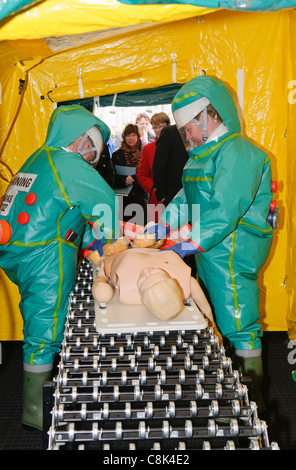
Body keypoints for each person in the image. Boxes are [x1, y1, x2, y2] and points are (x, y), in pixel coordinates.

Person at [144, 76, 274, 412]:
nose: (186, 135)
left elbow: (223, 209)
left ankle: (252, 398)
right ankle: (228, 382)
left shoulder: (239, 152)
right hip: (210, 252)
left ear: (207, 116)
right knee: (214, 314)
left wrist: (188, 245)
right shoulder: (202, 155)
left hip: (233, 251)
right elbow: (185, 201)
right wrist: (161, 227)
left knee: (238, 321)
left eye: (188, 128)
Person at [0, 105, 120, 431]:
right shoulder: (68, 163)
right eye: (92, 147)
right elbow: (104, 203)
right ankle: (35, 411)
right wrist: (110, 244)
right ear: (80, 139)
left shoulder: (39, 157)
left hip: (16, 250)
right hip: (45, 253)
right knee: (45, 326)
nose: (93, 157)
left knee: (36, 315)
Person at [91, 246, 216, 330]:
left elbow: (100, 289)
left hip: (115, 250)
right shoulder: (183, 284)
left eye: (143, 280)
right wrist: (213, 326)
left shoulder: (127, 291)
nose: (147, 271)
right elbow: (204, 307)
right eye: (157, 273)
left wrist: (101, 277)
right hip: (153, 244)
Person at [136, 112, 170, 222]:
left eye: (162, 126)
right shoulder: (148, 149)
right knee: (156, 235)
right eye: (155, 127)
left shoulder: (180, 146)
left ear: (169, 126)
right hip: (157, 201)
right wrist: (154, 189)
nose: (158, 130)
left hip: (178, 200)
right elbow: (141, 175)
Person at [112, 123, 148, 226]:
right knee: (124, 229)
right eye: (128, 135)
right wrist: (124, 180)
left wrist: (134, 179)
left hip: (140, 196)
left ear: (138, 136)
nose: (130, 138)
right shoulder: (117, 155)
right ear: (124, 137)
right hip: (123, 198)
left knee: (141, 230)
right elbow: (112, 175)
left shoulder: (144, 152)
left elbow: (148, 173)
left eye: (133, 135)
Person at [152, 124, 189, 207]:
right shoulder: (170, 132)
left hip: (195, 194)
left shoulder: (205, 132)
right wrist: (162, 195)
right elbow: (159, 165)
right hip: (173, 195)